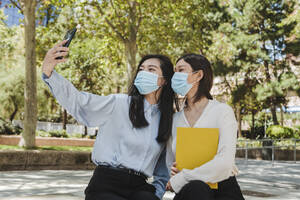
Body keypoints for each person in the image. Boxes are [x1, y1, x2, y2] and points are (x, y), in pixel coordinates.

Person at [41, 40, 177, 200]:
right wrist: (49, 72)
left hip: (140, 187)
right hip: (106, 183)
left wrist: (157, 193)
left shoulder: (167, 120)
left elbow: (163, 169)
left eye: (151, 69)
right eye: (141, 69)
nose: (143, 73)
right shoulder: (118, 103)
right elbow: (80, 102)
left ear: (164, 80)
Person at [166, 53, 245, 200]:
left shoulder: (222, 111)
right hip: (190, 191)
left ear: (199, 75)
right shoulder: (175, 119)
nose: (175, 76)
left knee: (198, 187)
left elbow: (225, 163)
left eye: (181, 70)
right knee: (196, 189)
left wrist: (183, 177)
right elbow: (170, 161)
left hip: (223, 188)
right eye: (174, 72)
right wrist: (172, 170)